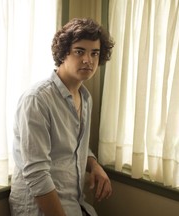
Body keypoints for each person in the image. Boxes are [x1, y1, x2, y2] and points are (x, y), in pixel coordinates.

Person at [9, 18, 115, 216]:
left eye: (94, 53)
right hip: (38, 208)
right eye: (79, 51)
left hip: (73, 202)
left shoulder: (85, 98)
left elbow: (75, 144)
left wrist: (94, 165)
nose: (88, 60)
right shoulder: (37, 99)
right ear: (63, 52)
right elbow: (37, 174)